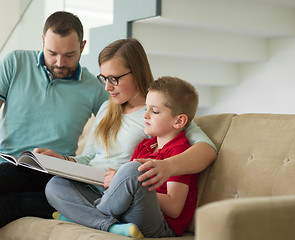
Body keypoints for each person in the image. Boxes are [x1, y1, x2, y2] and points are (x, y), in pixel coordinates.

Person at [39, 38, 217, 237]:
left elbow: (207, 150)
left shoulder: (171, 129)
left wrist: (166, 167)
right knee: (55, 184)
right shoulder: (114, 115)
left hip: (142, 211)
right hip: (107, 193)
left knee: (133, 169)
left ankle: (84, 216)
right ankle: (110, 226)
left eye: (113, 79)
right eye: (103, 78)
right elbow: (90, 157)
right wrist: (63, 161)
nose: (107, 87)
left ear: (136, 73)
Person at [0, 11, 108, 228]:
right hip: (7, 164)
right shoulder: (15, 62)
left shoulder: (94, 88)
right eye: (52, 53)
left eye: (69, 54)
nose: (60, 62)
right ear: (42, 41)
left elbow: (121, 121)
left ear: (83, 46)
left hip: (52, 174)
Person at [93, 76, 201, 238]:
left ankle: (88, 217)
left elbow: (174, 207)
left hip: (160, 224)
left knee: (131, 170)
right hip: (128, 215)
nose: (145, 115)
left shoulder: (180, 152)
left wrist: (125, 186)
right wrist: (121, 185)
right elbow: (127, 185)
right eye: (146, 109)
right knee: (58, 185)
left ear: (179, 121)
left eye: (155, 111)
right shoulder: (144, 146)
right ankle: (107, 224)